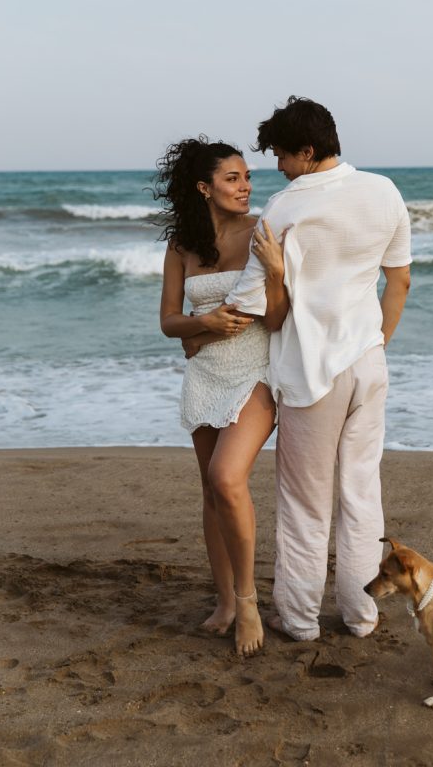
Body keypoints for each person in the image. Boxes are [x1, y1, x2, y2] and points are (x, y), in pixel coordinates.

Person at [226, 97, 412, 641]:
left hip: (313, 374)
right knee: (361, 494)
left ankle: (302, 620)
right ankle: (361, 615)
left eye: (282, 154)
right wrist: (377, 343)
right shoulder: (384, 191)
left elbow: (247, 303)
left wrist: (199, 322)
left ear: (307, 151)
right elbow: (398, 282)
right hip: (368, 364)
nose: (277, 166)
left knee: (305, 505)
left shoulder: (285, 208)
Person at [154, 137, 289, 656]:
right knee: (211, 494)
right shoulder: (180, 246)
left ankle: (250, 601)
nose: (246, 187)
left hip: (254, 370)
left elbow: (273, 317)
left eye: (248, 178)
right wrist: (200, 326)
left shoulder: (262, 232)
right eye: (233, 179)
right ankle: (227, 601)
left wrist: (275, 273)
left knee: (226, 479)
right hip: (205, 375)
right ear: (204, 187)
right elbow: (168, 322)